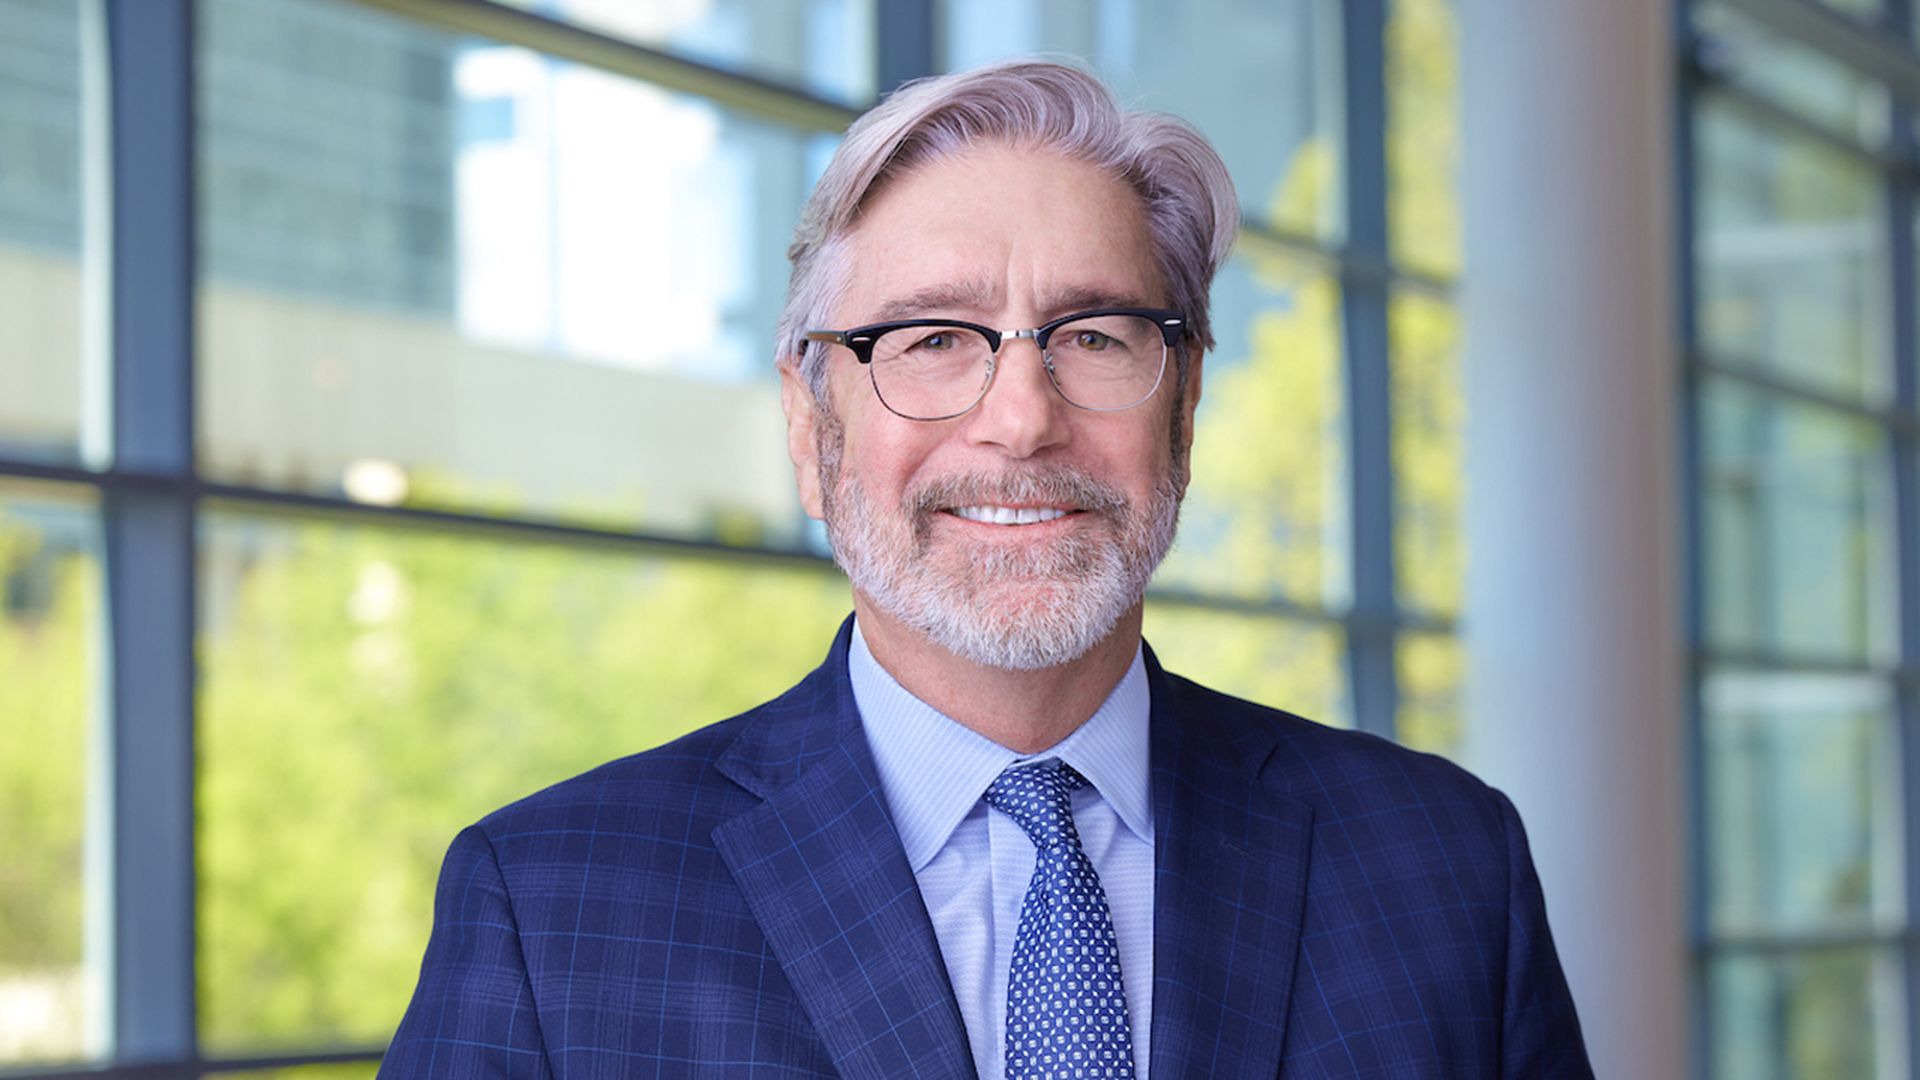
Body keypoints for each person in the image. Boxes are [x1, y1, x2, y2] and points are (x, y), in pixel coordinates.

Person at [380, 58, 1592, 1078]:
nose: (1021, 418)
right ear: (812, 430)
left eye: (1097, 338)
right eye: (932, 341)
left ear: (1185, 407)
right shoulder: (550, 912)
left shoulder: (1445, 867)